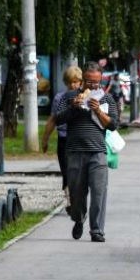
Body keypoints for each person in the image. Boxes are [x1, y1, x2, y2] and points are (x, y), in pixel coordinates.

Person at [54, 61, 118, 242]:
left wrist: (98, 111)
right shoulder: (69, 97)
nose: (92, 85)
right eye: (89, 81)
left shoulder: (107, 99)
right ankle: (78, 218)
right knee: (76, 193)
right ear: (83, 80)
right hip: (74, 152)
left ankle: (97, 230)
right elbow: (58, 120)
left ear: (101, 80)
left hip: (97, 152)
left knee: (99, 192)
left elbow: (113, 125)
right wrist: (73, 107)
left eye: (96, 82)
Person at [40, 65, 83, 211]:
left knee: (79, 174)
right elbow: (52, 120)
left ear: (80, 82)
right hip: (64, 140)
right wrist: (45, 139)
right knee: (66, 172)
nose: (73, 85)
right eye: (70, 82)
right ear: (66, 82)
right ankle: (70, 201)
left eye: (76, 82)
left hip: (79, 141)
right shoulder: (60, 98)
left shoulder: (84, 97)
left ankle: (78, 198)